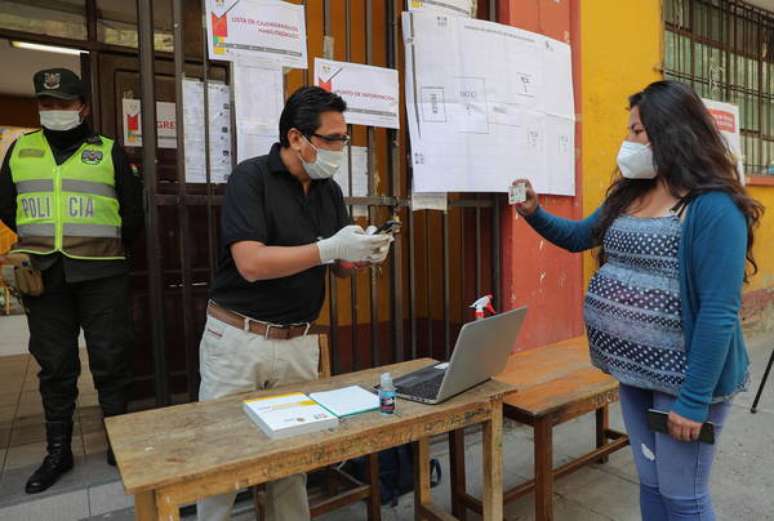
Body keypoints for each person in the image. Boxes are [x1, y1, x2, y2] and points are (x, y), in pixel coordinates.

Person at [513, 80, 762, 521]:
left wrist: (693, 400)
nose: (628, 142)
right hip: (635, 372)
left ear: (674, 132)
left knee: (683, 497)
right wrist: (535, 213)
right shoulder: (630, 194)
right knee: (652, 487)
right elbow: (578, 237)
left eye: (638, 132)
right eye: (629, 131)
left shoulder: (714, 207)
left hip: (685, 383)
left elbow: (720, 312)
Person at [196, 86, 392, 521]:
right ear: (296, 138)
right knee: (222, 462)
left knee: (293, 462)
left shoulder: (328, 189)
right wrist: (326, 250)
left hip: (298, 342)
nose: (341, 147)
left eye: (345, 137)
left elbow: (336, 264)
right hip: (239, 340)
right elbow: (249, 263)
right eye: (332, 138)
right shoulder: (250, 179)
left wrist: (358, 255)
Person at [0, 68, 144, 493]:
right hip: (44, 275)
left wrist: (106, 244)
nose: (55, 111)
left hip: (102, 273)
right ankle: (58, 450)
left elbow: (132, 213)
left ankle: (119, 442)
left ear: (82, 107)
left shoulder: (109, 151)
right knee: (55, 365)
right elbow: (7, 205)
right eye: (47, 104)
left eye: (63, 104)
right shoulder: (21, 149)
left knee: (111, 358)